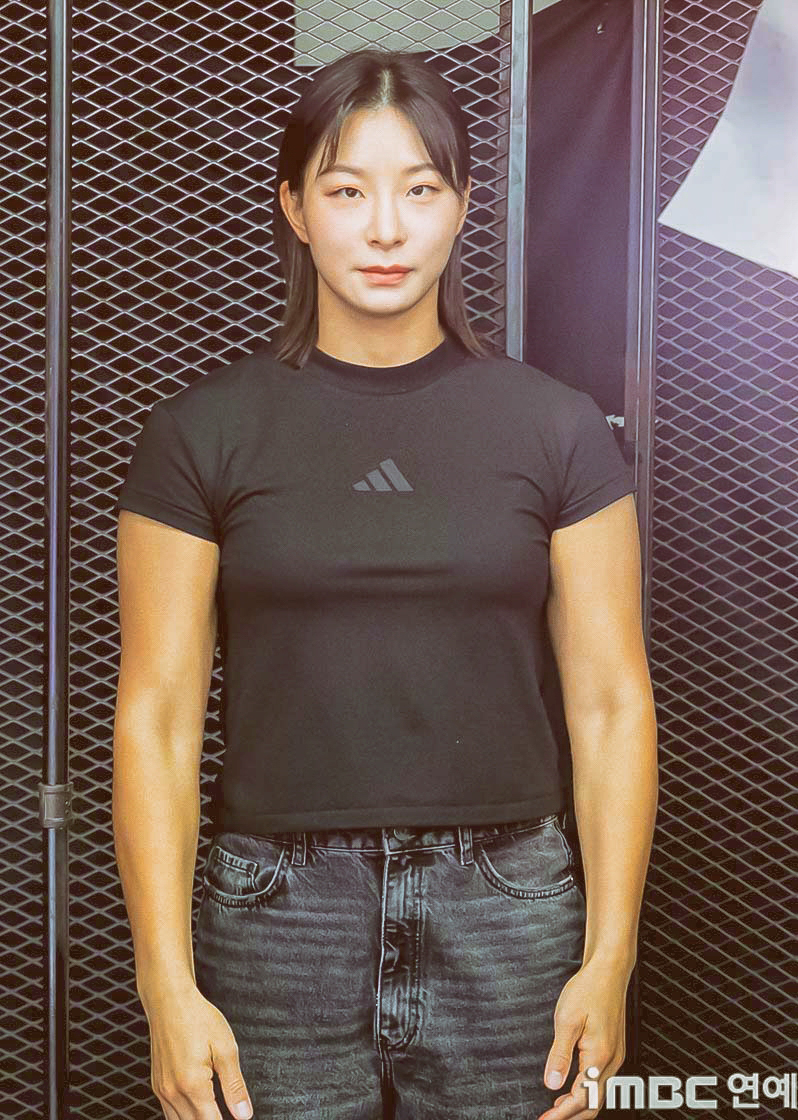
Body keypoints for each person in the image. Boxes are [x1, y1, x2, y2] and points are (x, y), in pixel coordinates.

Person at [113, 47, 658, 1120]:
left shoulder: (555, 429)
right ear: (294, 208)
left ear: (462, 207)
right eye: (346, 191)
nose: (385, 229)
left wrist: (610, 958)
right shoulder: (199, 435)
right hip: (275, 917)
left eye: (418, 189)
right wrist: (163, 984)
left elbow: (610, 704)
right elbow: (157, 716)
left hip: (509, 910)